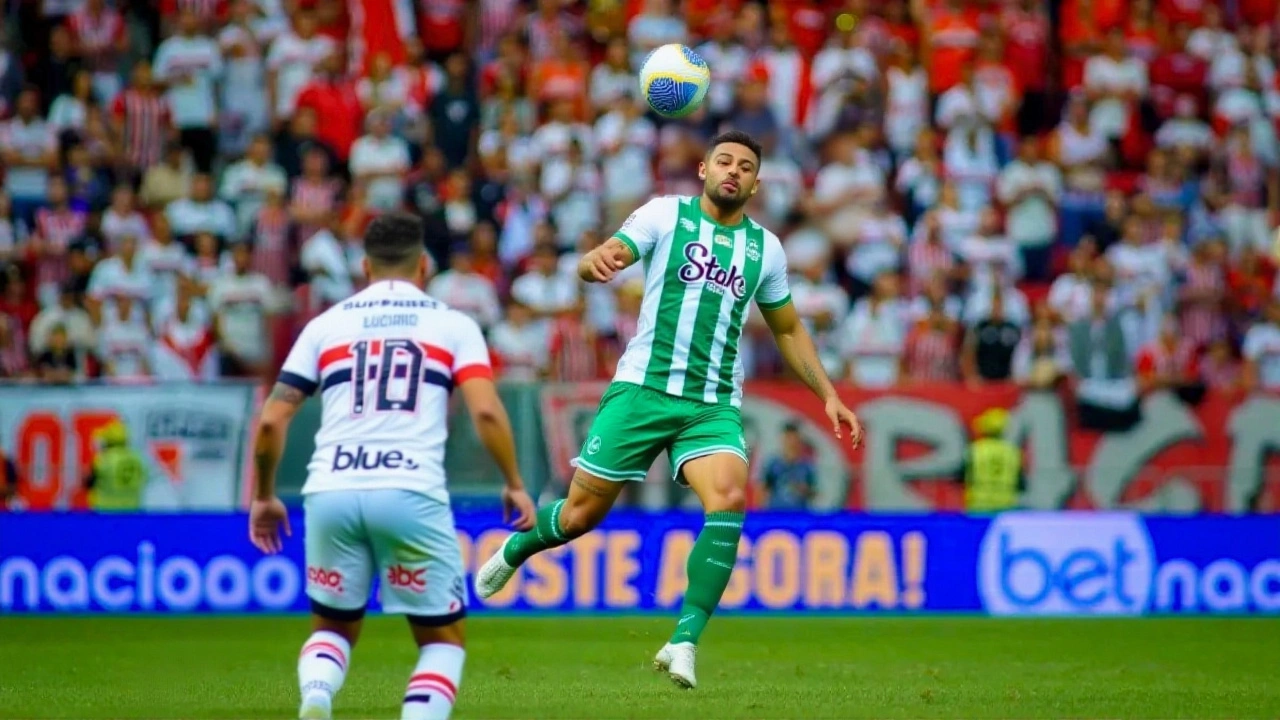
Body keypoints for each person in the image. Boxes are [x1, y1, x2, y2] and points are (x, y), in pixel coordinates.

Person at [474, 130, 864, 689]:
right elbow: (605, 258)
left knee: (729, 497)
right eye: (724, 161)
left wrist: (827, 392)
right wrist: (592, 262)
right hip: (643, 389)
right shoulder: (665, 214)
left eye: (746, 166)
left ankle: (683, 640)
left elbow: (787, 327)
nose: (733, 171)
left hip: (713, 403)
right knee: (581, 515)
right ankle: (518, 547)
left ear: (755, 183)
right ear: (703, 169)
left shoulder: (766, 250)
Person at [247, 213, 536, 720]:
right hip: (409, 487)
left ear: (364, 266)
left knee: (333, 627)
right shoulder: (452, 324)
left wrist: (265, 494)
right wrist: (513, 482)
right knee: (442, 640)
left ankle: (317, 695)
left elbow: (271, 419)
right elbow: (486, 409)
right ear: (424, 265)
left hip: (331, 486)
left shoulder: (326, 325)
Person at [955, 408, 1023, 512]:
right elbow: (1021, 481)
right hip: (1005, 503)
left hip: (979, 503)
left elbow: (961, 476)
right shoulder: (1012, 452)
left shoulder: (976, 450)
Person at [83, 421, 148, 511]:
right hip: (132, 510)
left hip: (107, 510)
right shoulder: (137, 458)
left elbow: (88, 483)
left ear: (108, 441)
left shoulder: (103, 459)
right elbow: (145, 479)